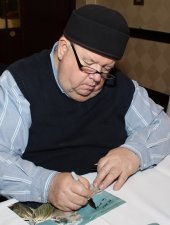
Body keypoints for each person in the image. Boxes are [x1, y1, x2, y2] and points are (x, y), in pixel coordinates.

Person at [0, 4, 170, 212]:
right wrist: (46, 185)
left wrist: (134, 153)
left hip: (109, 196)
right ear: (63, 48)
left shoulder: (120, 86)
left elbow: (163, 126)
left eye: (106, 68)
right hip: (38, 199)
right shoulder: (19, 83)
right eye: (88, 65)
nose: (96, 78)